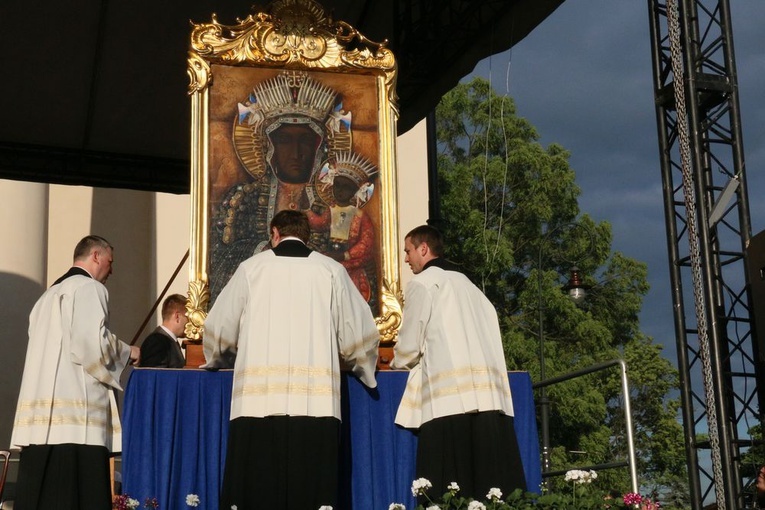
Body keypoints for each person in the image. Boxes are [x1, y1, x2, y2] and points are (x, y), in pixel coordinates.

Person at [203, 209, 380, 510]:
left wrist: (215, 358)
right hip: (315, 404)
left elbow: (219, 328)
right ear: (307, 235)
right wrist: (364, 369)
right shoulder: (330, 270)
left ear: (274, 233)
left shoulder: (251, 269)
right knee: (311, 494)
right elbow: (358, 334)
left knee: (256, 492)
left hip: (257, 404)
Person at [390, 225, 527, 500]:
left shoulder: (424, 283)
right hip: (489, 400)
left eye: (408, 251)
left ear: (423, 249)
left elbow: (409, 345)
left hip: (449, 400)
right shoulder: (473, 288)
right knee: (491, 486)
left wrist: (395, 364)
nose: (406, 259)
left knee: (449, 485)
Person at [11, 235, 140, 510]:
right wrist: (128, 352)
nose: (112, 270)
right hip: (76, 423)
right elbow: (91, 344)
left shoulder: (46, 297)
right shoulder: (89, 288)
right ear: (95, 256)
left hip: (42, 425)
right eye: (110, 261)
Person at [319, 151, 379, 312]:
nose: (340, 191)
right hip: (330, 259)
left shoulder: (359, 216)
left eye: (346, 188)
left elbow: (366, 242)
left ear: (354, 190)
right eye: (337, 185)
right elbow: (319, 224)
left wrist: (346, 255)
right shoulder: (330, 210)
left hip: (350, 265)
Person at [139, 293, 189, 368]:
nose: (190, 323)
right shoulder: (157, 341)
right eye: (188, 318)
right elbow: (155, 375)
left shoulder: (166, 341)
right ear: (177, 316)